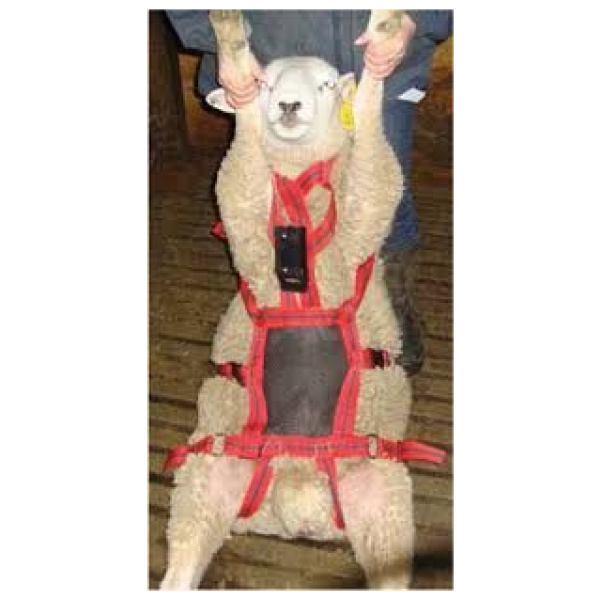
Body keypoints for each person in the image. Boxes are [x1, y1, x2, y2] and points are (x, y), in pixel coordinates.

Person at [166, 10, 453, 376]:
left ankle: (391, 312)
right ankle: (286, 317)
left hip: (377, 64)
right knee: (272, 202)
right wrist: (221, 39)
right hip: (267, 66)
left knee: (384, 200)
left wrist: (415, 15)